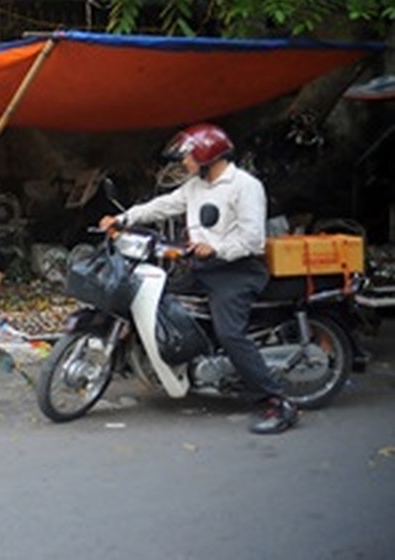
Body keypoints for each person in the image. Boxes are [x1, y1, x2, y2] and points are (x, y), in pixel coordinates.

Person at [98, 122, 298, 435]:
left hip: (238, 270)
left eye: (188, 157)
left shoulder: (245, 186)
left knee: (230, 332)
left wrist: (214, 247)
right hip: (203, 266)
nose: (184, 163)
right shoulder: (196, 186)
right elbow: (164, 205)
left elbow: (252, 239)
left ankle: (276, 400)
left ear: (207, 155)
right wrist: (124, 219)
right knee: (158, 301)